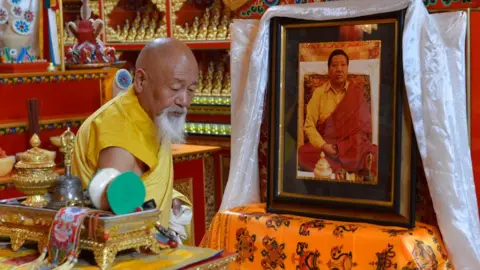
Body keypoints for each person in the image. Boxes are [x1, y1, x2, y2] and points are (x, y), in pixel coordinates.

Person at [72, 38, 197, 242]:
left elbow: (139, 186)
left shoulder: (151, 115)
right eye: (175, 88)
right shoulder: (118, 130)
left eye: (190, 90)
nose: (184, 101)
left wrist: (171, 199)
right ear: (140, 81)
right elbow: (113, 202)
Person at [298, 49, 378, 177]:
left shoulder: (356, 93)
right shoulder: (319, 93)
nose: (339, 69)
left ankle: (336, 167)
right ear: (329, 69)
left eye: (343, 65)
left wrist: (343, 147)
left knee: (373, 152)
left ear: (347, 68)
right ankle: (345, 169)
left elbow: (364, 129)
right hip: (327, 146)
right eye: (335, 65)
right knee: (302, 154)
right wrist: (324, 146)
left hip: (349, 147)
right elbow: (309, 126)